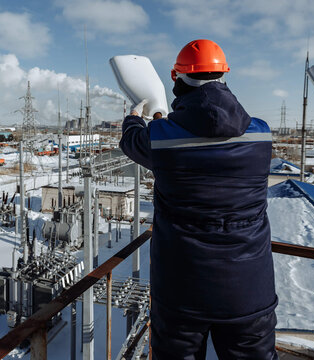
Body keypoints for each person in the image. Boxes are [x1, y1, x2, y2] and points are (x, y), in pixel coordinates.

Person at [119, 39, 278, 359]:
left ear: (177, 80)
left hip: (182, 290)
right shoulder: (262, 134)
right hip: (248, 289)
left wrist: (135, 116)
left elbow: (131, 140)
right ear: (224, 77)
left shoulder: (161, 137)